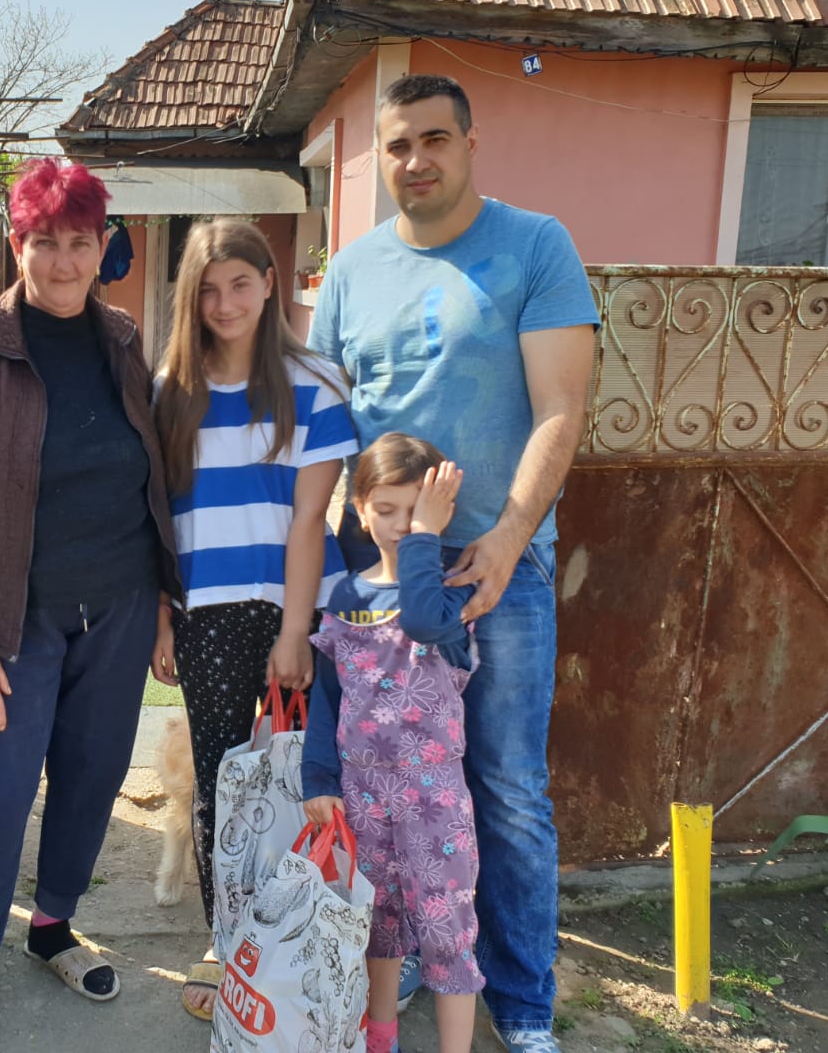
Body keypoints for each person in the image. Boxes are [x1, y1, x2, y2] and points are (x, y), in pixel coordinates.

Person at [308, 73, 597, 1052]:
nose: (416, 160)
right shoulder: (351, 272)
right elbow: (327, 432)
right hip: (381, 584)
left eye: (434, 139)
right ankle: (384, 978)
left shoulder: (535, 246)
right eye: (397, 145)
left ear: (471, 143)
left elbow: (560, 407)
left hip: (494, 570)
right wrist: (329, 573)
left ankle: (520, 1005)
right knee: (376, 784)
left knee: (505, 789)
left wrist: (508, 537)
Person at [0, 159, 181, 1053]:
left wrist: (162, 600)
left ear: (103, 246)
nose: (64, 261)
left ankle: (54, 925)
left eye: (80, 242)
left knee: (93, 777)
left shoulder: (123, 340)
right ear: (16, 245)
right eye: (45, 243)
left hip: (120, 606)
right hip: (11, 622)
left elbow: (149, 473)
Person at [148, 218, 355, 1020]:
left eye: (240, 283)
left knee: (303, 778)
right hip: (204, 615)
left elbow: (309, 518)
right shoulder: (170, 390)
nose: (225, 302)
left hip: (292, 607)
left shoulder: (316, 383)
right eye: (208, 289)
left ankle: (301, 929)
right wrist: (164, 618)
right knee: (221, 786)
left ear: (270, 284)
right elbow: (161, 519)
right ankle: (227, 939)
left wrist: (295, 631)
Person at [304, 434, 481, 1053]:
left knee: (447, 932)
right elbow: (327, 698)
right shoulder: (346, 598)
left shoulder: (450, 595)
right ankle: (380, 1041)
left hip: (435, 803)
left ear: (440, 515)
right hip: (361, 798)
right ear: (359, 510)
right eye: (387, 511)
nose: (403, 526)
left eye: (417, 513)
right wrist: (318, 779)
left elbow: (423, 621)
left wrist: (428, 538)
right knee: (377, 930)